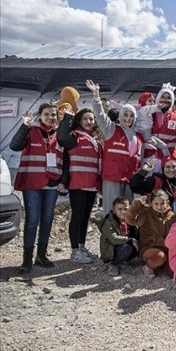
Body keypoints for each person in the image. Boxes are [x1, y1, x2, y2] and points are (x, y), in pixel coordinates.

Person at [10, 104, 62, 273]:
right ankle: (26, 260)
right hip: (32, 183)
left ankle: (41, 255)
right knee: (32, 220)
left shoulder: (59, 134)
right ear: (40, 116)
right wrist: (25, 125)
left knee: (47, 219)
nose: (50, 117)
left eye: (53, 115)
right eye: (46, 114)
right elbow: (14, 146)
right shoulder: (31, 130)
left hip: (51, 183)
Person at [87, 80, 143, 214]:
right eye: (126, 115)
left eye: (131, 116)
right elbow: (100, 116)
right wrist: (96, 97)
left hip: (129, 179)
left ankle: (124, 234)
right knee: (111, 212)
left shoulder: (139, 137)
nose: (128, 119)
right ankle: (108, 234)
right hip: (112, 177)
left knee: (126, 213)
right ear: (121, 115)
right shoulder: (112, 129)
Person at [57, 107, 103, 264]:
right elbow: (61, 136)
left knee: (85, 217)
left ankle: (82, 247)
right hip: (77, 183)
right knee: (76, 217)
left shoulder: (95, 140)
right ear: (78, 121)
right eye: (85, 119)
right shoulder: (74, 137)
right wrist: (68, 116)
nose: (89, 122)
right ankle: (74, 251)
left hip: (91, 184)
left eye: (91, 119)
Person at [125, 190, 176, 278]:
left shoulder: (171, 215)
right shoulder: (146, 214)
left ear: (166, 203)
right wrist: (137, 205)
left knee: (172, 272)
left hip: (166, 249)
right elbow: (130, 219)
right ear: (151, 203)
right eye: (156, 204)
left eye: (162, 203)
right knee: (160, 257)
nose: (159, 207)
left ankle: (159, 265)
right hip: (149, 248)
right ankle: (148, 267)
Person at [93, 197, 139, 277]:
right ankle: (113, 264)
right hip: (112, 250)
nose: (123, 212)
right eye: (120, 209)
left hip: (124, 245)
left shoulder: (129, 220)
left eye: (125, 209)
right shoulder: (109, 222)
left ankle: (124, 259)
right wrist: (130, 240)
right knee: (127, 248)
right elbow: (113, 239)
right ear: (114, 210)